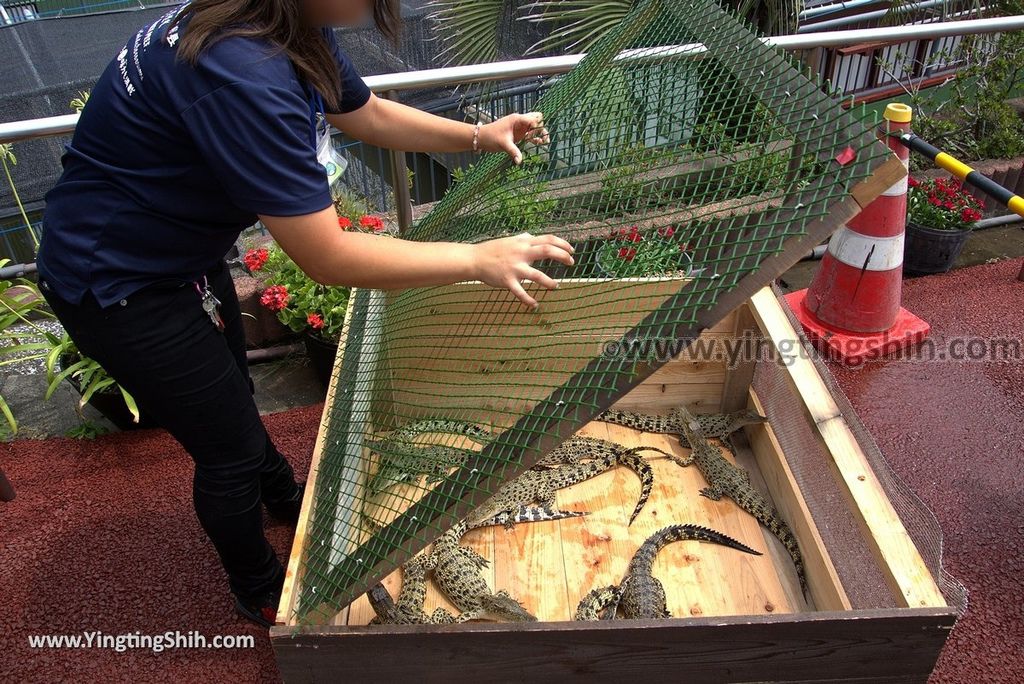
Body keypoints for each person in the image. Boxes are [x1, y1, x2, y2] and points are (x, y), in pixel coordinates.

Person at [35, 0, 573, 628]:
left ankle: (285, 498)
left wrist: (478, 135)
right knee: (226, 451)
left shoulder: (285, 19)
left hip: (180, 257)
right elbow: (327, 253)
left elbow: (363, 112)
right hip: (116, 280)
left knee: (232, 397)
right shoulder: (242, 71)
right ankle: (258, 587)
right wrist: (476, 257)